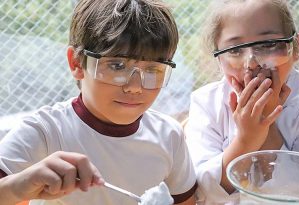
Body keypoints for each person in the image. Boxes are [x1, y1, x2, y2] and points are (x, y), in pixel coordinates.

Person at [0, 0, 197, 204]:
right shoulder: (46, 131)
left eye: (153, 70)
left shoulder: (169, 135)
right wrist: (19, 186)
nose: (135, 86)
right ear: (76, 63)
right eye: (117, 66)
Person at [184, 0, 299, 204]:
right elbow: (201, 192)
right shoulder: (206, 103)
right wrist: (247, 140)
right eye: (235, 50)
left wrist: (266, 126)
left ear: (295, 48)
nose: (252, 62)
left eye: (269, 44)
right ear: (218, 59)